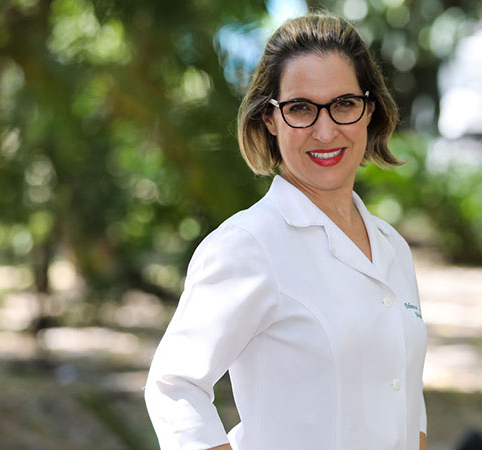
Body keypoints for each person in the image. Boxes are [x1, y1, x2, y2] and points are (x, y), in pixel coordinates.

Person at [145, 13, 428, 450]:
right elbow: (174, 386)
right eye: (300, 108)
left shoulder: (392, 246)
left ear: (369, 111)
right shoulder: (247, 246)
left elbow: (403, 393)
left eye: (344, 104)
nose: (325, 129)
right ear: (269, 120)